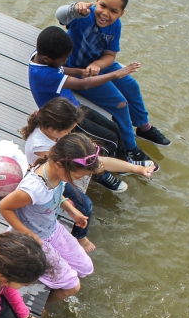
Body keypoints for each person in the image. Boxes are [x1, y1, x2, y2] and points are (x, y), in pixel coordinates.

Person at [21, 98, 157, 253]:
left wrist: (135, 168)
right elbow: (100, 162)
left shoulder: (50, 133)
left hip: (55, 173)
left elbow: (100, 161)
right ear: (52, 129)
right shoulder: (43, 147)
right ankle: (80, 237)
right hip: (49, 179)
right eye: (67, 132)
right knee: (85, 204)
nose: (69, 134)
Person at [56, 0, 171, 154]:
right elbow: (61, 16)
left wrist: (97, 65)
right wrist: (73, 9)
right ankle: (130, 147)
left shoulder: (116, 26)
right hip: (79, 71)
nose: (105, 13)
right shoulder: (82, 14)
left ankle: (143, 127)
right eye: (103, 6)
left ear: (121, 13)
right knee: (120, 104)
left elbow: (110, 56)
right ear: (97, 0)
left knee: (132, 86)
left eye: (114, 11)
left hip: (99, 64)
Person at [29, 25, 158, 175]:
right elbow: (82, 85)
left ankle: (124, 164)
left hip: (72, 106)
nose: (66, 61)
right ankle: (100, 172)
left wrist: (78, 71)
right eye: (64, 59)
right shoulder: (43, 75)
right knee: (108, 141)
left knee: (114, 128)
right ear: (47, 59)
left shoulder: (39, 55)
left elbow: (60, 69)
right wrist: (116, 74)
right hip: (65, 118)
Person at [0, 134, 102, 303]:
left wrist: (71, 210)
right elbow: (4, 206)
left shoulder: (58, 174)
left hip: (51, 230)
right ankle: (43, 304)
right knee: (73, 286)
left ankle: (53, 280)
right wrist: (29, 235)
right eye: (76, 176)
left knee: (86, 267)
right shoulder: (34, 187)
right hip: (33, 239)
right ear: (60, 164)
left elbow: (56, 196)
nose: (79, 180)